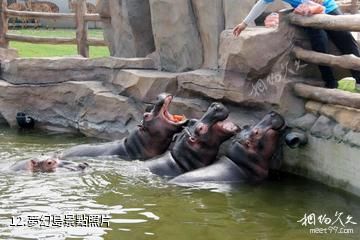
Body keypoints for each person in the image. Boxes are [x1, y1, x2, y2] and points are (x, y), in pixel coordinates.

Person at [233, 0, 360, 89]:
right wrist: (245, 23)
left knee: (346, 40)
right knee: (319, 45)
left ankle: (359, 79)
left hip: (328, 7)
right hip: (308, 14)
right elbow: (262, 3)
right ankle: (330, 82)